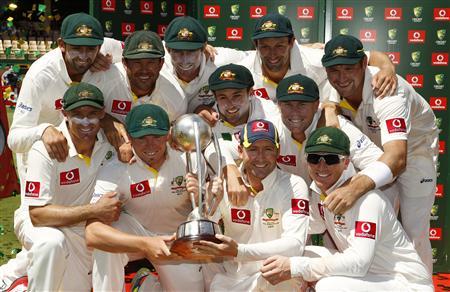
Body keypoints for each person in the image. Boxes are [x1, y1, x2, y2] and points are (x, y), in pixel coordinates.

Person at [1, 12, 121, 288]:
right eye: (76, 47)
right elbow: (15, 137)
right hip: (43, 156)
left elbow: (151, 49)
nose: (84, 55)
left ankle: (11, 276)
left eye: (90, 48)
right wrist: (43, 131)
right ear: (61, 45)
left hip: (81, 153)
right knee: (48, 237)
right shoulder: (42, 74)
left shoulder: (105, 54)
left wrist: (205, 48)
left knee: (70, 240)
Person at [260, 127, 433, 291]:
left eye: (331, 159)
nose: (321, 166)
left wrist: (295, 267)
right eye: (314, 158)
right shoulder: (318, 193)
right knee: (304, 252)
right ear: (306, 161)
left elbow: (358, 263)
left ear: (346, 162)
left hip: (406, 283)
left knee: (329, 286)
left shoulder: (368, 200)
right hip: (370, 279)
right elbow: (301, 231)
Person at [321, 34, 438, 271]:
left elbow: (397, 158)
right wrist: (330, 109)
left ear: (364, 65)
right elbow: (305, 49)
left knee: (414, 232)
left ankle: (420, 286)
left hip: (414, 154)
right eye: (334, 70)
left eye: (349, 68)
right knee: (379, 225)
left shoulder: (388, 91)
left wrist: (354, 187)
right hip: (376, 151)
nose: (341, 77)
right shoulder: (331, 78)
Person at [85, 104, 220, 291]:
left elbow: (209, 214)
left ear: (168, 135)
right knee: (105, 246)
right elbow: (92, 233)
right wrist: (146, 243)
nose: (150, 145)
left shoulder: (189, 158)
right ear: (129, 138)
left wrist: (202, 195)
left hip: (176, 239)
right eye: (141, 138)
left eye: (156, 136)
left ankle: (145, 284)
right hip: (137, 233)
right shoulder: (115, 168)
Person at [19, 83, 118, 291]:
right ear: (64, 113)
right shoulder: (44, 150)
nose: (86, 122)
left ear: (102, 114)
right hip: (44, 224)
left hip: (80, 225)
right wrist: (94, 210)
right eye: (77, 114)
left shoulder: (109, 144)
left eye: (92, 114)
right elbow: (38, 215)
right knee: (50, 244)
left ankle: (13, 275)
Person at [193, 119, 310, 291]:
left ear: (278, 151)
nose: (260, 157)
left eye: (268, 149)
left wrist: (239, 251)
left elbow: (295, 245)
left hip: (273, 276)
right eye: (253, 149)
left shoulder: (294, 185)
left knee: (283, 275)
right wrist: (207, 205)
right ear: (240, 151)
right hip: (232, 278)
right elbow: (202, 236)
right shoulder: (225, 184)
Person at [238, 13, 397, 102]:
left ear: (292, 42)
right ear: (256, 45)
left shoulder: (313, 60)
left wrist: (387, 68)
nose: (272, 54)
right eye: (265, 46)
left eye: (279, 46)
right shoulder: (243, 71)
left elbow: (369, 56)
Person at [205, 63, 280, 205]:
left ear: (251, 92)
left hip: (271, 192)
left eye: (237, 96)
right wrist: (230, 171)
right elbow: (208, 145)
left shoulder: (269, 114)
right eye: (223, 97)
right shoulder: (209, 117)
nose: (230, 104)